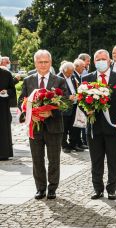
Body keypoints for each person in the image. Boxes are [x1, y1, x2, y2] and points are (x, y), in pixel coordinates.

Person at [18, 49, 68, 200]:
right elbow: (22, 101)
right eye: (40, 62)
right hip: (35, 127)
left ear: (50, 63)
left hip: (54, 127)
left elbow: (65, 102)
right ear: (35, 63)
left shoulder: (59, 80)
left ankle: (52, 188)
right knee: (37, 159)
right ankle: (40, 188)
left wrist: (51, 112)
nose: (43, 65)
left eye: (46, 62)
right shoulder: (28, 80)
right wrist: (29, 113)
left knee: (54, 160)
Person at [82, 49, 116, 200]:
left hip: (114, 127)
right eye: (97, 59)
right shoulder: (87, 79)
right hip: (94, 128)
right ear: (94, 62)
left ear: (109, 61)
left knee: (113, 160)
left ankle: (111, 189)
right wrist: (86, 110)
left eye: (103, 59)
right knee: (96, 160)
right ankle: (97, 189)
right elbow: (80, 100)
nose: (101, 62)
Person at [58, 61, 83, 153]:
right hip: (64, 107)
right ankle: (64, 145)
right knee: (64, 127)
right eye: (69, 72)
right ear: (64, 70)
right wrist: (68, 97)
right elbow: (56, 93)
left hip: (75, 104)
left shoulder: (72, 76)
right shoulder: (58, 77)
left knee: (74, 127)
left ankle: (73, 144)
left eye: (72, 72)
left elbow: (75, 88)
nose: (71, 74)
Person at [0, 57, 16, 161]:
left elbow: (12, 91)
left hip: (2, 108)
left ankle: (3, 153)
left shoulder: (6, 74)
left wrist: (6, 92)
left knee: (2, 129)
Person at [73, 58, 88, 149]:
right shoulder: (74, 75)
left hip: (78, 103)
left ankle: (79, 142)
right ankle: (76, 143)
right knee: (76, 125)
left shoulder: (78, 75)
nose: (84, 68)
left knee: (79, 124)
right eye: (82, 67)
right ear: (77, 66)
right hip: (75, 103)